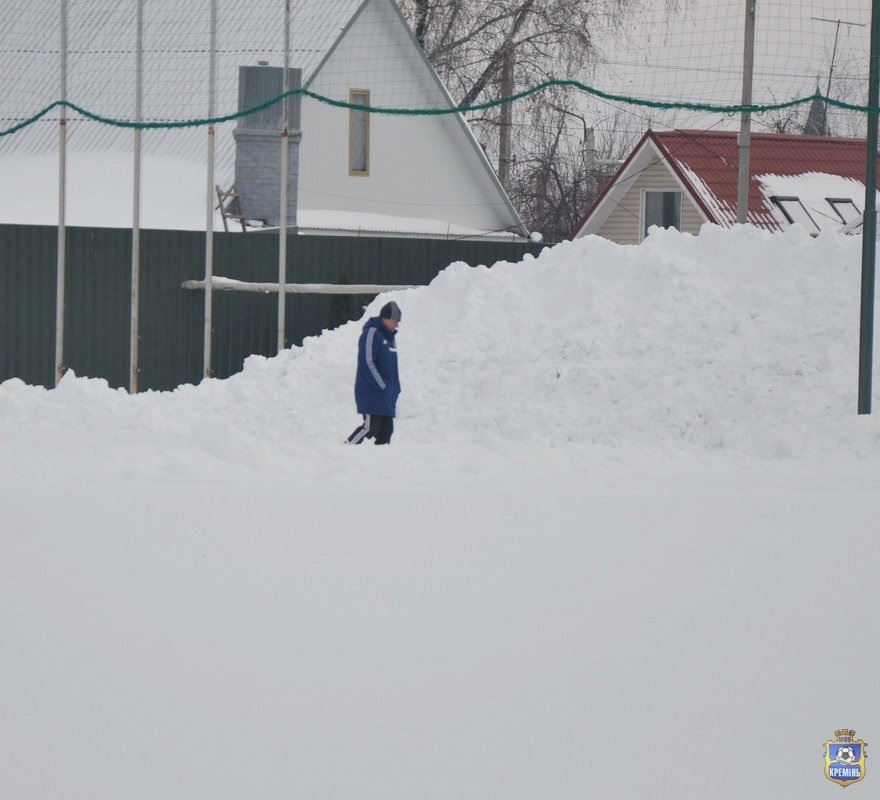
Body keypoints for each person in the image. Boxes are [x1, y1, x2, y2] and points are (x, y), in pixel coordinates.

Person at [345, 301, 402, 445]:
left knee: (386, 432)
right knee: (370, 428)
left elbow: (392, 368)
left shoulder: (390, 338)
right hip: (372, 392)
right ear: (386, 318)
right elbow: (367, 362)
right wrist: (381, 385)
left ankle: (379, 464)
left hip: (386, 394)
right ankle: (345, 450)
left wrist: (395, 388)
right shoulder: (372, 333)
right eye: (395, 321)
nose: (397, 325)